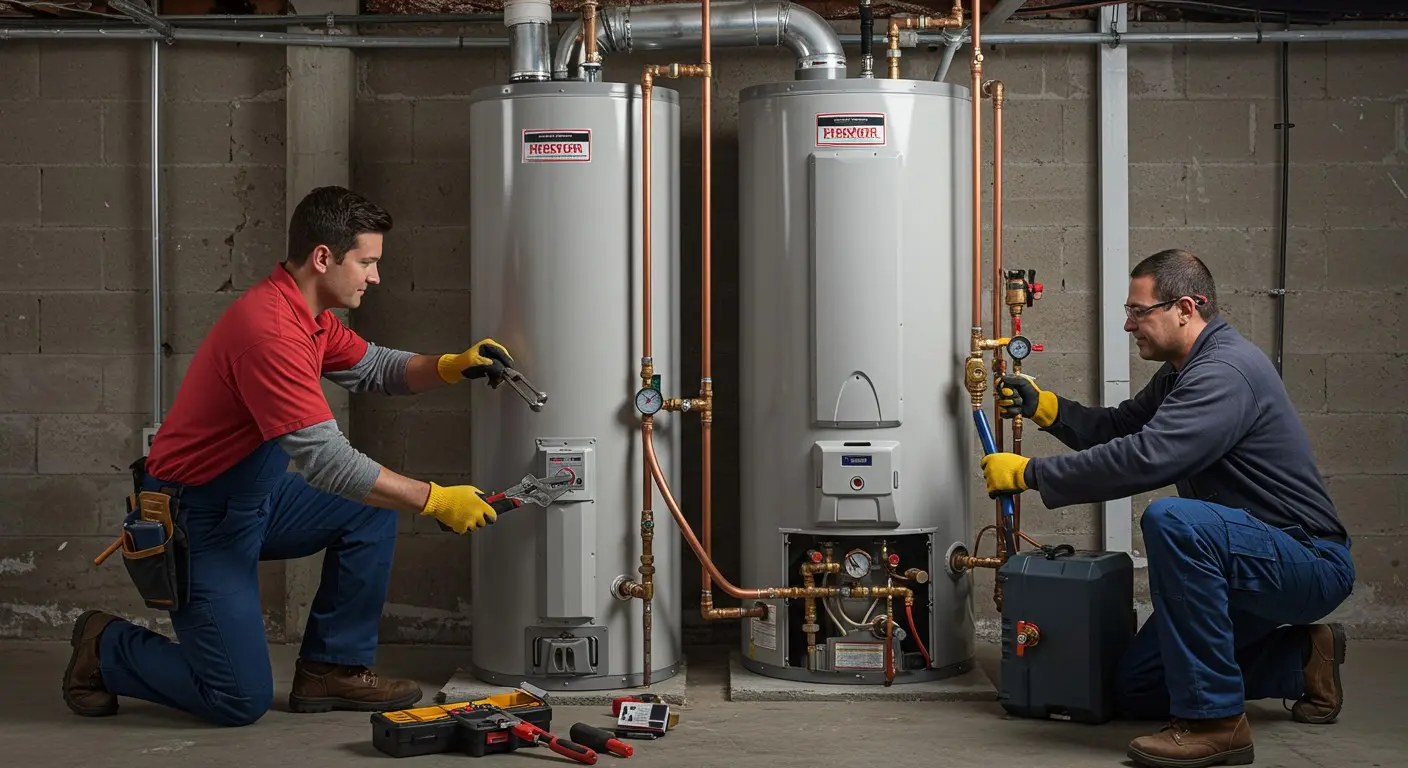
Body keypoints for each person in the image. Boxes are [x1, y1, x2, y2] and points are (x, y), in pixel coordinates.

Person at [63, 186, 515, 727]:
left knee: (369, 512)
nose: (375, 276)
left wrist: (449, 365)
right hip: (198, 518)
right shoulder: (271, 332)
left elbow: (372, 367)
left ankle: (333, 670)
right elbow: (327, 461)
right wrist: (435, 499)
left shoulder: (309, 314)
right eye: (367, 262)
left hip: (257, 498)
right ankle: (104, 645)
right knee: (237, 699)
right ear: (325, 257)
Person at [981, 250, 1355, 768]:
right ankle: (1302, 661)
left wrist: (1031, 474)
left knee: (1174, 520)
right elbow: (1122, 427)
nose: (1128, 323)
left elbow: (1150, 455)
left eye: (1139, 311)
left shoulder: (1224, 372)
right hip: (1244, 560)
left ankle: (1216, 723)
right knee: (1136, 688)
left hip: (1304, 559)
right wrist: (1047, 409)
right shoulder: (1183, 371)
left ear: (1185, 307)